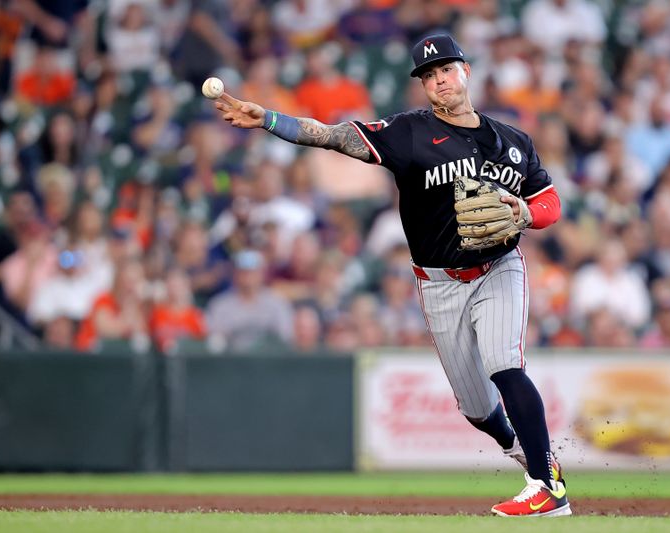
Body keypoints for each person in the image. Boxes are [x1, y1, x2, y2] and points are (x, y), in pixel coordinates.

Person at [213, 33, 569, 517]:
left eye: (445, 69)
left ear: (465, 70)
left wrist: (526, 215)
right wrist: (270, 119)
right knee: (477, 409)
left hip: (499, 268)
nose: (438, 80)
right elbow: (332, 136)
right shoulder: (408, 133)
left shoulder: (514, 141)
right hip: (439, 281)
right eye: (428, 76)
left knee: (505, 363)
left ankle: (547, 486)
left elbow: (550, 202)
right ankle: (525, 448)